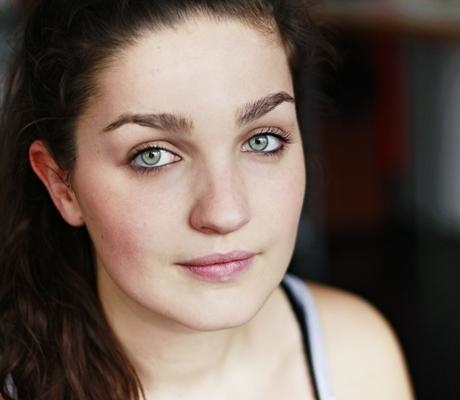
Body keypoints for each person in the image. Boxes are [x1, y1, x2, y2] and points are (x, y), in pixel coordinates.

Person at [0, 1, 413, 399]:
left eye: (262, 140)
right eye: (153, 155)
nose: (226, 213)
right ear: (61, 184)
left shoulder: (354, 359)